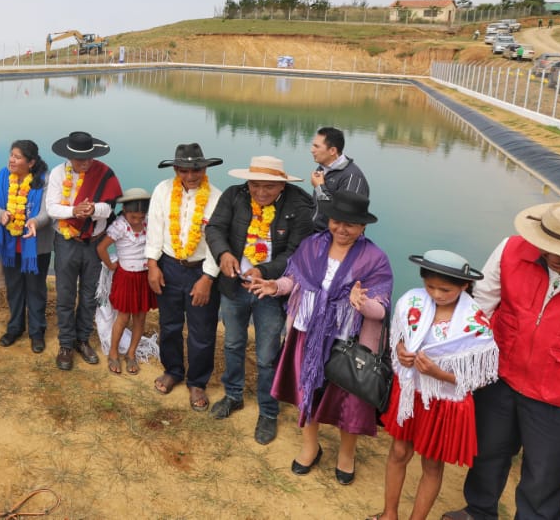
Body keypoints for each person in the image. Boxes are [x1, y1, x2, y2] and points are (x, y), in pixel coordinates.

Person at [442, 202, 560, 520]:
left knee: (545, 476)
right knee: (487, 453)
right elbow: (480, 308)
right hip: (500, 378)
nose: (555, 258)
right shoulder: (511, 251)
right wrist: (455, 363)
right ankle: (479, 510)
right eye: (549, 248)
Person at [249, 190, 393, 486]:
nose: (342, 229)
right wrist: (275, 286)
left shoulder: (375, 258)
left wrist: (361, 303)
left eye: (350, 224)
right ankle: (310, 447)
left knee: (349, 402)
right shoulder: (312, 245)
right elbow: (294, 280)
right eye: (337, 221)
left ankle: (346, 455)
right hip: (307, 335)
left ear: (363, 226)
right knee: (307, 392)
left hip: (348, 343)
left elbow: (380, 309)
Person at [376, 250, 497, 520]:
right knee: (398, 451)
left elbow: (478, 379)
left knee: (431, 463)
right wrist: (401, 350)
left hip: (444, 401)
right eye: (430, 286)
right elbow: (399, 336)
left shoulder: (475, 325)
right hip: (411, 393)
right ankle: (389, 513)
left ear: (465, 286)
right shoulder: (411, 302)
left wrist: (439, 374)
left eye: (446, 290)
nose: (437, 294)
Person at [205, 154, 315, 445]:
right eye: (255, 185)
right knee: (232, 343)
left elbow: (296, 251)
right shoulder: (234, 196)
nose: (260, 192)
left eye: (268, 186)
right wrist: (223, 254)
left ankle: (268, 411)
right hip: (234, 285)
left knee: (267, 355)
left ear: (282, 185)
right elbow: (214, 228)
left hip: (270, 290)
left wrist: (264, 272)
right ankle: (233, 395)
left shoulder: (300, 205)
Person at [145, 143, 224, 412]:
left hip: (201, 269)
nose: (190, 176)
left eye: (196, 169)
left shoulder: (216, 197)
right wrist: (152, 265)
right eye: (184, 170)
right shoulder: (163, 190)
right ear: (176, 169)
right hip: (168, 265)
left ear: (204, 169)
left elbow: (217, 241)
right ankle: (173, 370)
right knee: (169, 323)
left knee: (202, 329)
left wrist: (208, 277)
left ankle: (197, 382)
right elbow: (155, 229)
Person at [47, 131, 123, 371]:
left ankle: (83, 339)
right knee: (65, 294)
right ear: (69, 157)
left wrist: (92, 210)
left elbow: (110, 208)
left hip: (94, 243)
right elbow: (51, 208)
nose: (86, 163)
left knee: (90, 294)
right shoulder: (58, 173)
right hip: (67, 242)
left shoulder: (104, 173)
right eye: (80, 159)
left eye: (89, 158)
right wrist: (73, 211)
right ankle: (66, 344)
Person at [0, 140, 53, 353]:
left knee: (36, 290)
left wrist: (35, 222)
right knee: (14, 288)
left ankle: (37, 332)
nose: (11, 160)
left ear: (31, 162)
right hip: (10, 244)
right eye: (11, 155)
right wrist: (1, 214)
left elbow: (48, 212)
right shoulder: (2, 176)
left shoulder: (45, 180)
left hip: (36, 246)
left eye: (17, 157)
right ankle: (14, 328)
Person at [98, 188, 155, 376]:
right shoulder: (120, 226)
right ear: (124, 211)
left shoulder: (148, 223)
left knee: (140, 317)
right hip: (126, 277)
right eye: (133, 217)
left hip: (143, 277)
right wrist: (110, 265)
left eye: (141, 217)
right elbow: (101, 248)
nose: (137, 221)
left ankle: (131, 353)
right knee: (123, 317)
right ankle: (113, 352)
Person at [309, 127, 369, 232]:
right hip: (315, 234)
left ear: (332, 150)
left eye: (316, 146)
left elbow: (344, 216)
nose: (312, 150)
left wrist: (319, 187)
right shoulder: (322, 168)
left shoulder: (352, 177)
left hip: (336, 237)